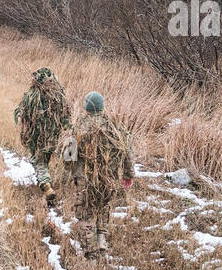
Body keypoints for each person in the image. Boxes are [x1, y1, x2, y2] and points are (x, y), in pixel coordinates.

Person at [68, 92, 134, 259]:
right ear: (102, 107)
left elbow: (69, 157)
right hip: (109, 178)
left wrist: (72, 170)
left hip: (85, 180)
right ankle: (101, 241)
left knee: (86, 212)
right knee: (103, 207)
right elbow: (128, 152)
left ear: (87, 108)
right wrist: (128, 175)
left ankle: (91, 252)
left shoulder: (79, 126)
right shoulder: (115, 127)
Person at [14, 67, 71, 206]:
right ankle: (66, 181)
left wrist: (24, 127)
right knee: (57, 157)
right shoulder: (59, 95)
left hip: (36, 136)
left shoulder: (31, 95)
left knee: (39, 161)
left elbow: (19, 113)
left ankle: (45, 183)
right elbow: (66, 117)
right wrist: (67, 131)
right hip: (54, 136)